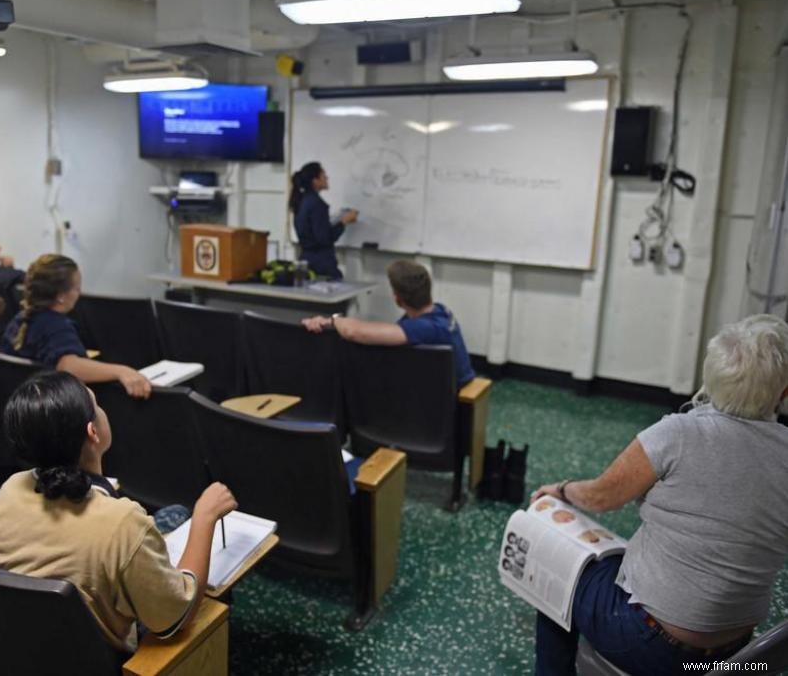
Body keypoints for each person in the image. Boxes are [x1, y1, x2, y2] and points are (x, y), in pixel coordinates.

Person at [531, 313, 788, 676]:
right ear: (784, 391)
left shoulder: (677, 435)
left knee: (554, 574)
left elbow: (602, 497)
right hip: (740, 656)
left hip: (656, 646)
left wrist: (560, 490)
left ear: (710, 378)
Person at [0, 371, 236, 653]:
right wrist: (205, 517)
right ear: (93, 432)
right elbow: (176, 616)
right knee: (189, 528)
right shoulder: (122, 522)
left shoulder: (9, 490)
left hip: (21, 652)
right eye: (98, 405)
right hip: (110, 659)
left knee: (172, 514)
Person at [302, 259, 475, 387]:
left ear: (397, 300)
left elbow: (355, 332)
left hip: (448, 401)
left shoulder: (426, 328)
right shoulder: (440, 311)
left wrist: (332, 320)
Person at [0, 254, 151, 399]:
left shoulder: (20, 320)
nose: (79, 293)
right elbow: (68, 366)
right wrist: (121, 371)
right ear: (61, 296)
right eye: (77, 288)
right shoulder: (56, 326)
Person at [290, 162, 358, 279]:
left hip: (307, 260)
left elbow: (312, 229)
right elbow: (324, 239)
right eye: (323, 175)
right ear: (315, 180)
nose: (327, 178)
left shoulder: (301, 201)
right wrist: (344, 221)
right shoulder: (317, 204)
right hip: (322, 264)